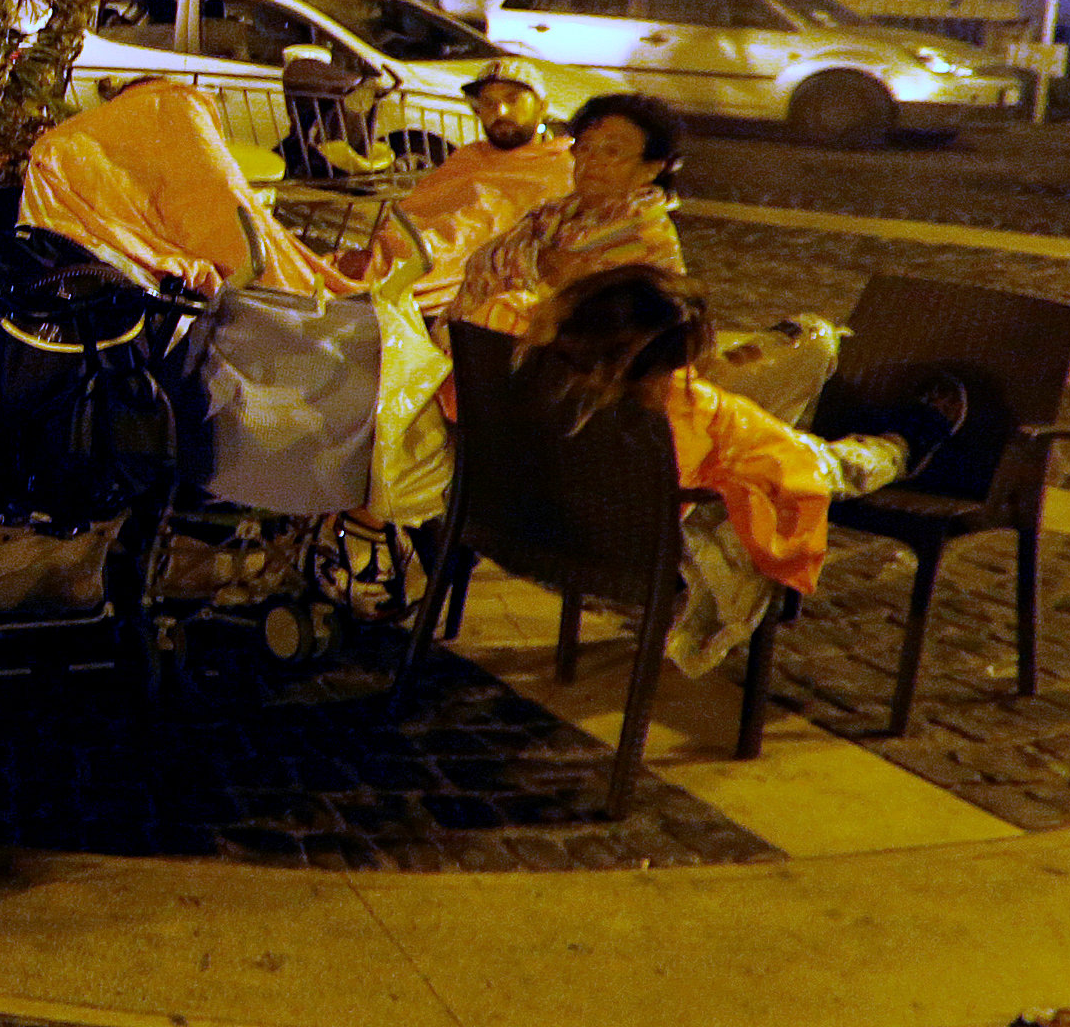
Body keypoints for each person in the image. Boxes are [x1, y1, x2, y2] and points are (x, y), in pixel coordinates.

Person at [521, 262, 962, 676]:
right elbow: (798, 467)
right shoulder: (690, 410)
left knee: (777, 453)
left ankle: (891, 443)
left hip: (539, 527)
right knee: (819, 463)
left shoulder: (525, 376)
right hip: (634, 545)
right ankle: (902, 445)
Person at [17, 76, 347, 297]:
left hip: (94, 277)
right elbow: (215, 186)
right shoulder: (176, 108)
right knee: (264, 250)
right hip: (219, 256)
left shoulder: (66, 142)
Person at [448, 91, 686, 336]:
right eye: (585, 148)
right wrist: (539, 261)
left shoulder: (644, 234)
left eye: (613, 151)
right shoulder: (556, 213)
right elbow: (491, 259)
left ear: (651, 168)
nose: (594, 160)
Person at [353, 56, 576, 305]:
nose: (500, 112)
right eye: (488, 103)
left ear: (541, 106)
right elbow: (414, 212)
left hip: (466, 281)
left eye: (513, 99)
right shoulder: (469, 156)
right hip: (399, 260)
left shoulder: (563, 168)